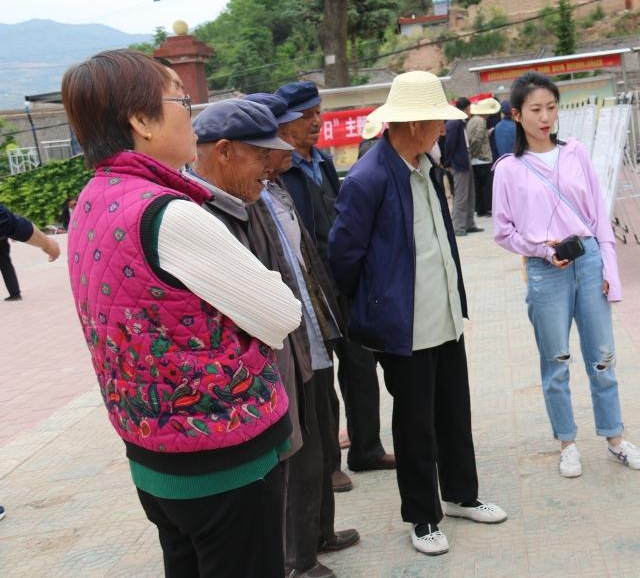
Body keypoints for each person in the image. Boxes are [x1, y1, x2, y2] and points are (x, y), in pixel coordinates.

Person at [61, 49, 301, 578]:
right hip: (221, 457)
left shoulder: (92, 202)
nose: (192, 115)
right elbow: (282, 314)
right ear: (141, 121)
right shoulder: (167, 213)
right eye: (182, 101)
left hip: (153, 453)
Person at [329, 71, 507, 556]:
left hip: (443, 315)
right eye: (436, 121)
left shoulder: (426, 165)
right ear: (412, 124)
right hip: (404, 327)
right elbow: (342, 257)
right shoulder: (369, 177)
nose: (443, 129)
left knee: (453, 411)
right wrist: (377, 303)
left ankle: (461, 495)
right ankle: (422, 516)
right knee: (415, 425)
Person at [189, 97, 358, 578]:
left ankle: (315, 537)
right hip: (266, 357)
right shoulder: (204, 211)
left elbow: (301, 263)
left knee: (316, 445)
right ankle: (296, 559)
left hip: (304, 338)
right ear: (224, 151)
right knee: (292, 457)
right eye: (260, 153)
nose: (270, 162)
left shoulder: (263, 192)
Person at [492, 71, 640, 479]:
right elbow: (503, 231)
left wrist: (610, 270)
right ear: (517, 115)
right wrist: (541, 250)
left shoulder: (575, 152)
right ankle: (567, 444)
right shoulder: (508, 169)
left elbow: (599, 216)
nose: (545, 117)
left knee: (602, 356)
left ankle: (615, 438)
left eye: (551, 107)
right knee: (556, 361)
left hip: (589, 260)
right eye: (535, 110)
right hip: (546, 270)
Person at [275, 81, 394, 492]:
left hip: (343, 278)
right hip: (308, 288)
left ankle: (367, 447)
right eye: (305, 116)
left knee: (361, 364)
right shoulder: (281, 168)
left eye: (317, 113)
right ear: (284, 123)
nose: (315, 122)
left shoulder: (321, 161)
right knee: (320, 377)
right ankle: (329, 464)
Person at [0, 203, 60, 301]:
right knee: (6, 265)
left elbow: (8, 221)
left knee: (47, 244)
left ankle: (15, 293)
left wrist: (48, 245)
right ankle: (15, 293)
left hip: (10, 228)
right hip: (8, 229)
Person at [443, 97, 483, 237]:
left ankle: (469, 223)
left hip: (465, 160)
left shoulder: (460, 122)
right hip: (459, 163)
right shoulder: (454, 123)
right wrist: (448, 163)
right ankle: (458, 226)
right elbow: (449, 144)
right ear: (466, 109)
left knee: (470, 194)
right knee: (461, 195)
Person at [468, 98, 500, 218]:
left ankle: (480, 209)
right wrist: (477, 153)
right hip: (482, 158)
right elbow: (477, 139)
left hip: (474, 160)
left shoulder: (471, 120)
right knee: (486, 185)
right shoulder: (481, 121)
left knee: (478, 186)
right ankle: (487, 208)